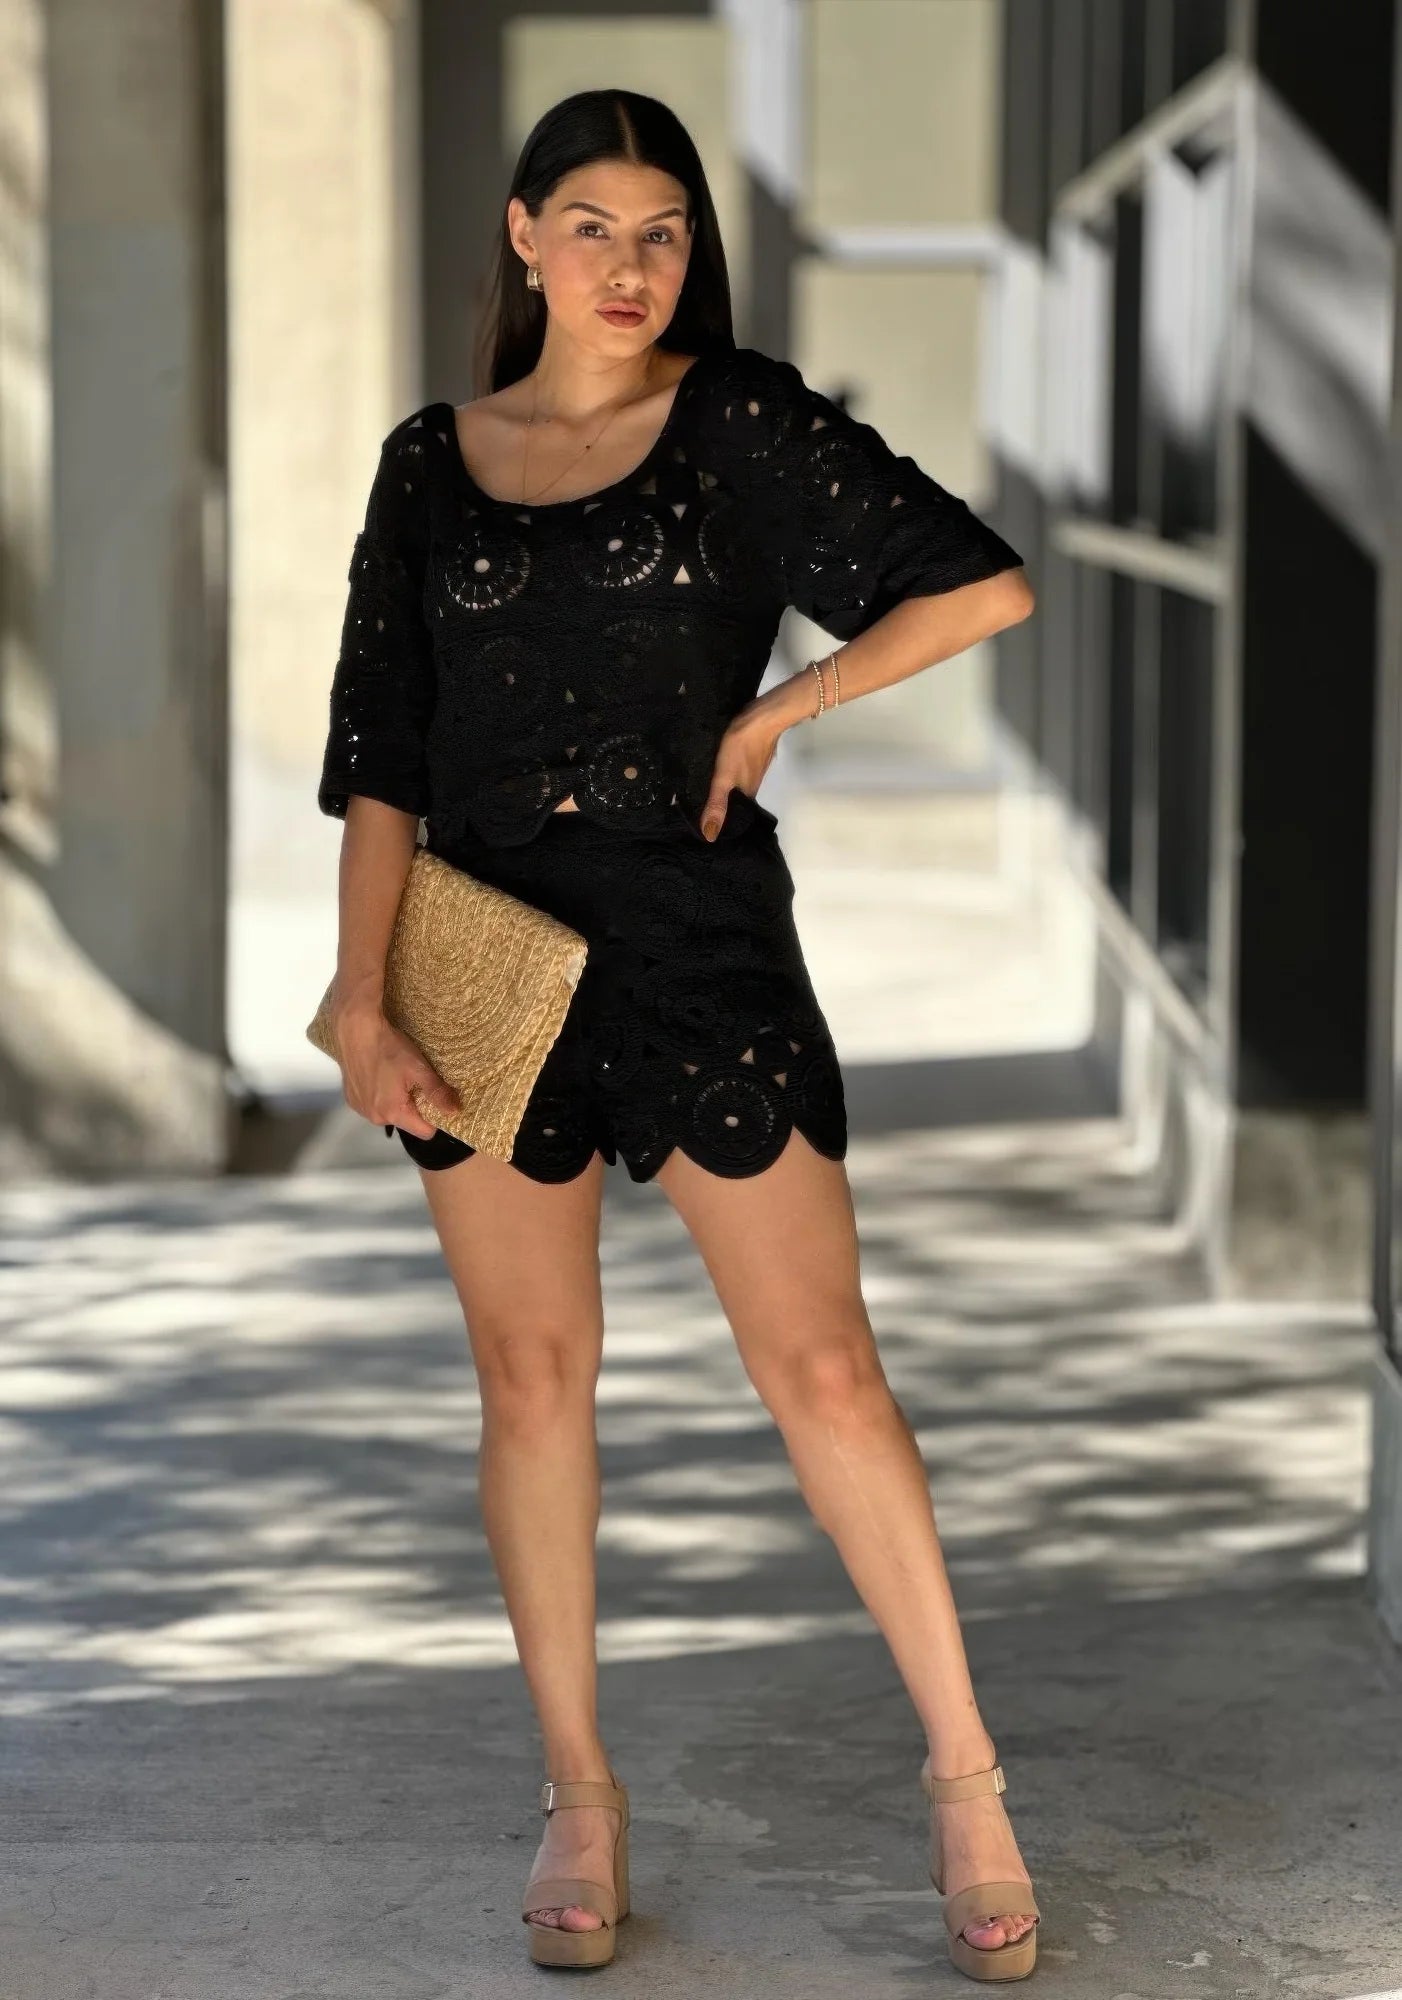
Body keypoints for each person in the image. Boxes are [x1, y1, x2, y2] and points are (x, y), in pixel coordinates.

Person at [317, 87, 1041, 1983]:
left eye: (663, 231)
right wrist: (355, 991)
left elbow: (979, 581)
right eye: (594, 225)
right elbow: (383, 758)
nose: (631, 265)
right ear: (522, 234)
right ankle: (579, 1795)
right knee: (531, 1382)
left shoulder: (734, 423)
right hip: (479, 951)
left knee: (823, 1375)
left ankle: (966, 1781)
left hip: (699, 942)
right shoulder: (428, 458)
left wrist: (777, 709)